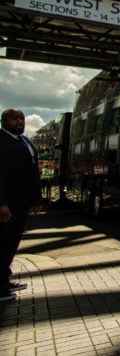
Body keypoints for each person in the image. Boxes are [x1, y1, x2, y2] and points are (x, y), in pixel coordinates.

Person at [0, 109, 43, 302]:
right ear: (3, 121)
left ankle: (4, 280)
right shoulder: (1, 141)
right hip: (7, 205)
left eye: (22, 119)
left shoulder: (24, 142)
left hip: (21, 204)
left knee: (10, 245)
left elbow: (32, 173)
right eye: (14, 118)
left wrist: (36, 199)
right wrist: (1, 203)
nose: (19, 122)